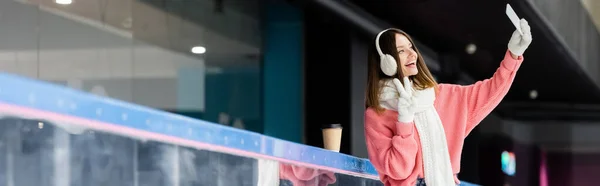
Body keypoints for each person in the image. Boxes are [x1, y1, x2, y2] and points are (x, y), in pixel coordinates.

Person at [363, 19, 532, 186]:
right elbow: (398, 170)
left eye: (411, 47)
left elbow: (491, 91)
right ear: (387, 62)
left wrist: (513, 54)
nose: (412, 54)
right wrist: (405, 122)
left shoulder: (442, 95)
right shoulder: (377, 114)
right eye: (401, 51)